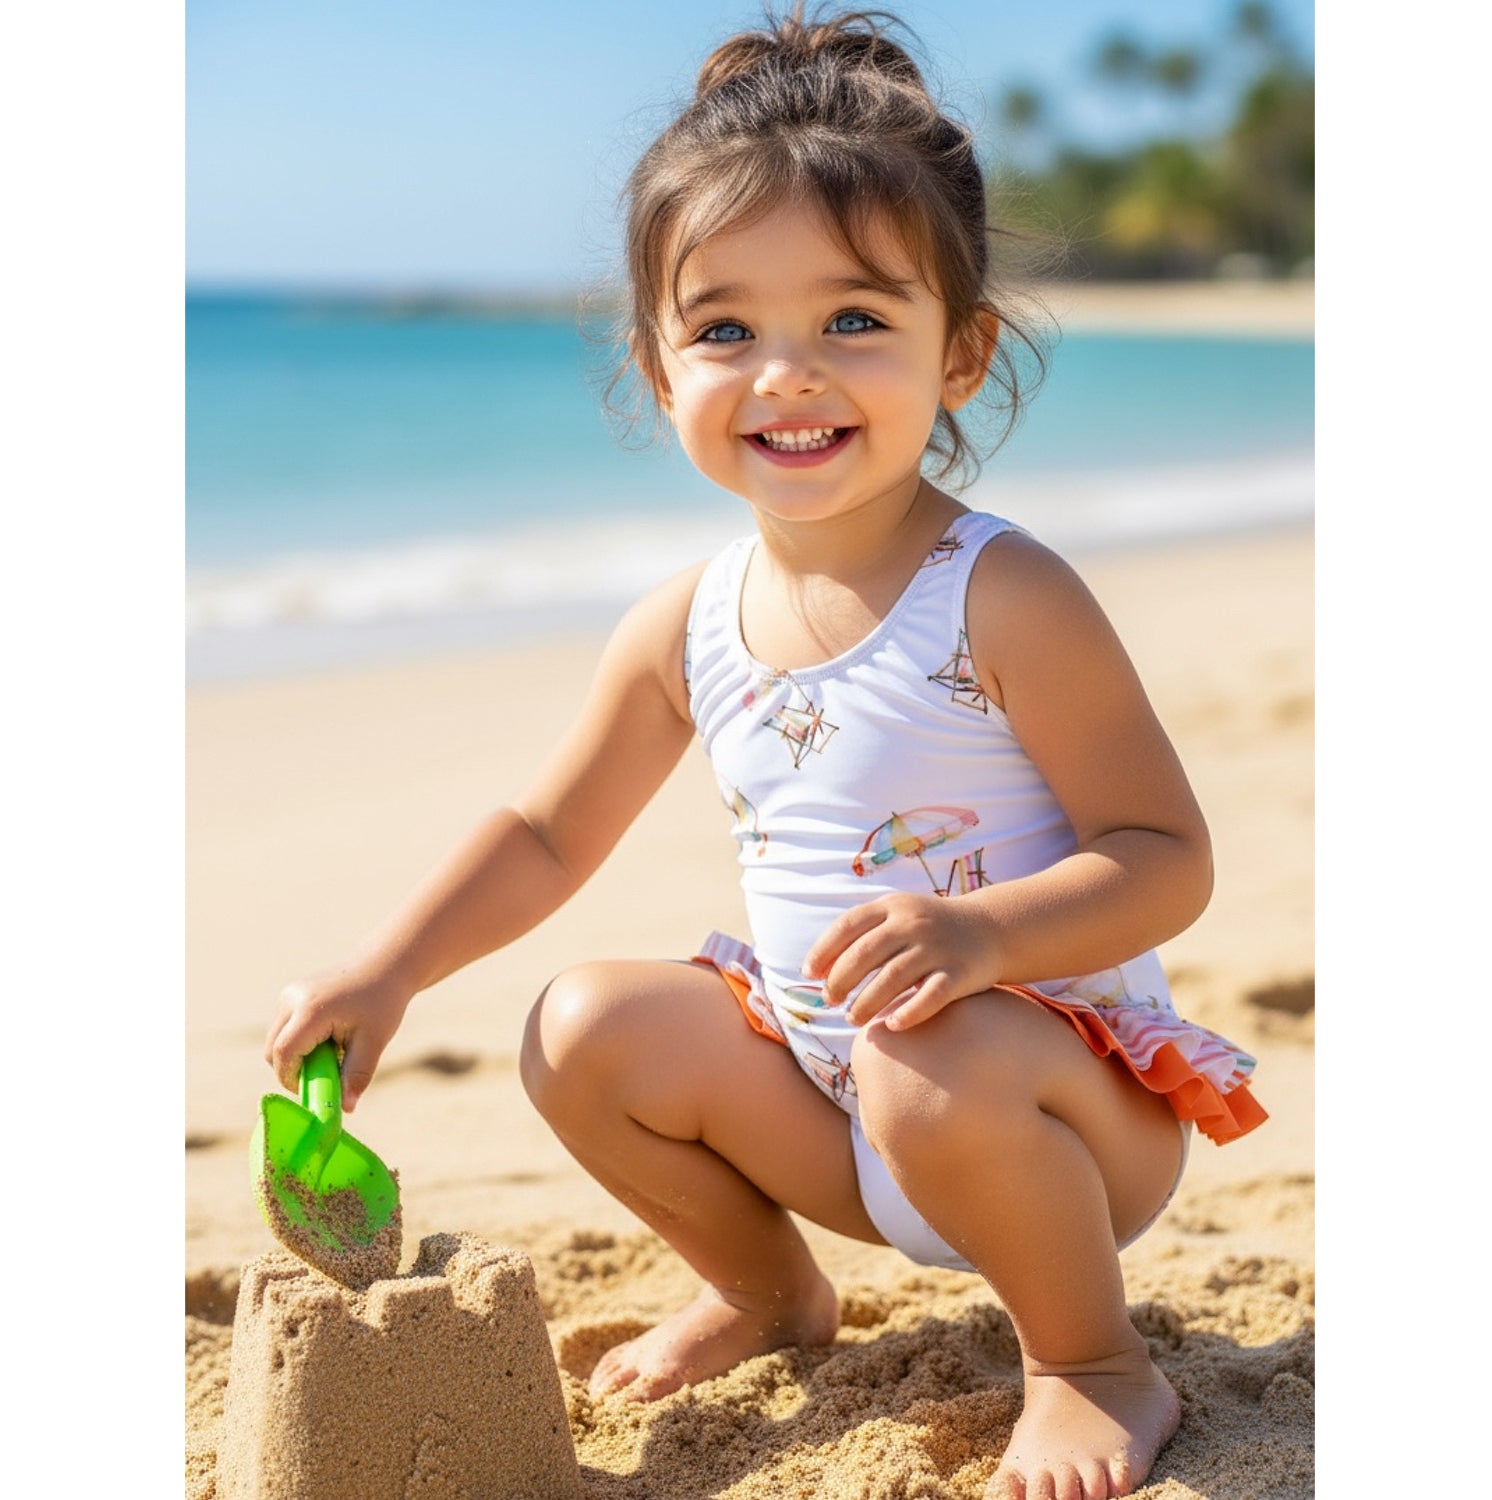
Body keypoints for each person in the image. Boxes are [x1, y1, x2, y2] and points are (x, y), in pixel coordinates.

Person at [264, 8, 1266, 1498]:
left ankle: (1090, 1363)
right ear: (661, 373)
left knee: (925, 1044)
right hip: (835, 1105)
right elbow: (548, 834)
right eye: (726, 329)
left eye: (855, 320)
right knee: (579, 1026)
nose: (787, 373)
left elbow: (1166, 859)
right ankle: (767, 1292)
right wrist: (392, 967)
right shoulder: (687, 624)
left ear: (964, 351)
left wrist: (981, 935)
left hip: (1044, 1119)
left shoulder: (1000, 593)